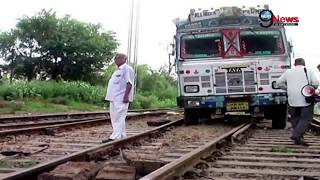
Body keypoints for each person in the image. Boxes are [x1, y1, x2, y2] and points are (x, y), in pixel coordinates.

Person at [276, 58, 319, 146]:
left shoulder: (288, 72)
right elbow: (315, 83)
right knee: (306, 118)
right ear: (304, 63)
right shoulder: (309, 70)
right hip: (305, 99)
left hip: (292, 100)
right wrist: (310, 88)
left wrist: (287, 88)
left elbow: (279, 82)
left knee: (295, 119)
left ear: (295, 64)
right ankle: (296, 135)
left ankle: (298, 139)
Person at [102, 53, 135, 143]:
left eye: (117, 58)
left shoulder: (127, 69)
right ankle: (122, 136)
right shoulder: (117, 70)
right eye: (115, 58)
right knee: (116, 117)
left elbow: (129, 83)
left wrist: (126, 96)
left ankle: (115, 137)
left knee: (118, 117)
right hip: (114, 98)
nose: (115, 60)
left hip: (121, 98)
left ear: (124, 59)